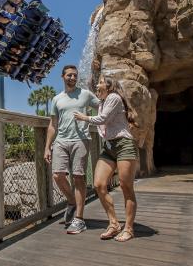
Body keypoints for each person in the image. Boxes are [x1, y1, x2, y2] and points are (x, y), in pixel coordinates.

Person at [74, 75, 139, 242]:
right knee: (99, 184)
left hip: (124, 144)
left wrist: (84, 117)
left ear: (110, 86)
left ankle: (129, 229)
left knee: (126, 186)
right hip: (109, 147)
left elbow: (102, 119)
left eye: (101, 82)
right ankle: (114, 223)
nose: (97, 84)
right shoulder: (103, 102)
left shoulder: (114, 97)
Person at [44, 65, 100, 234]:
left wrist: (90, 119)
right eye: (69, 75)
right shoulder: (57, 99)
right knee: (57, 175)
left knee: (78, 178)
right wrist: (47, 147)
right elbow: (53, 125)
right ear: (62, 77)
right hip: (61, 140)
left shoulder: (86, 95)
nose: (72, 78)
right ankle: (71, 201)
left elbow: (103, 108)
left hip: (81, 140)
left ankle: (79, 219)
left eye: (75, 75)